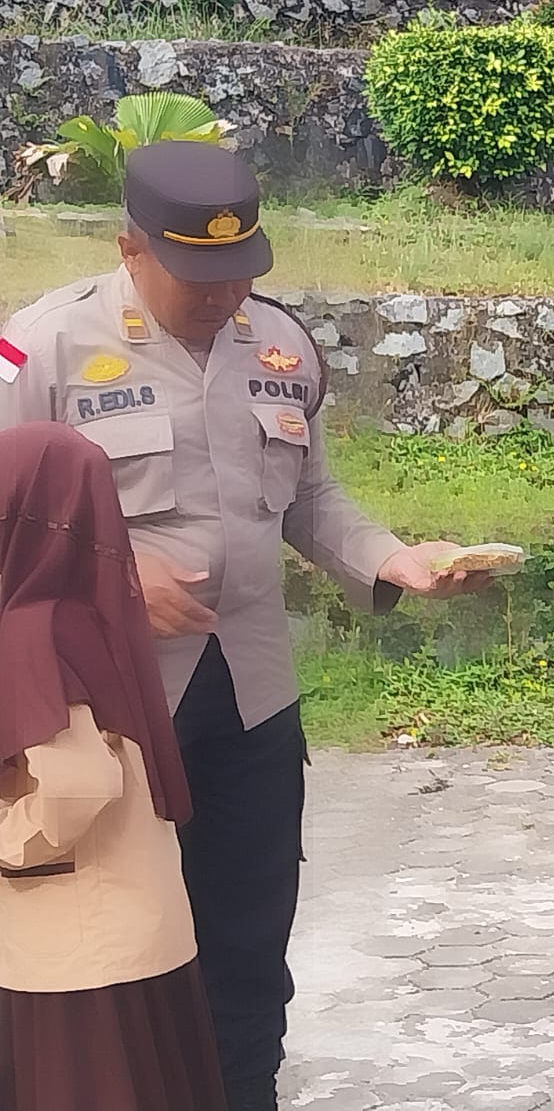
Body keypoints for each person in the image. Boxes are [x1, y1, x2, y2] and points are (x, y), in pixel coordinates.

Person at [0, 141, 491, 1111]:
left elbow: (310, 498)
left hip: (253, 696)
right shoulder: (40, 347)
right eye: (201, 275)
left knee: (251, 941)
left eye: (241, 272)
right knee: (125, 950)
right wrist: (110, 574)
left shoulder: (281, 346)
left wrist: (391, 559)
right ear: (130, 246)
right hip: (113, 713)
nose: (226, 296)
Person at [1, 423, 226, 1110]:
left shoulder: (28, 631)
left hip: (74, 951)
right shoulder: (95, 614)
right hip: (136, 932)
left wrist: (6, 842)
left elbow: (77, 785)